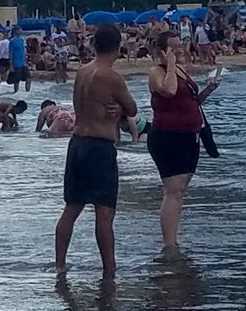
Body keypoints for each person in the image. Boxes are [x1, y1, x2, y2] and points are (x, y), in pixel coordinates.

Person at [54, 23, 137, 276]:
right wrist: (121, 109)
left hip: (77, 143)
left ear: (94, 44)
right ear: (118, 47)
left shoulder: (83, 71)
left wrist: (116, 108)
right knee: (104, 212)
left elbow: (85, 104)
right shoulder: (111, 77)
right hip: (99, 146)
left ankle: (59, 265)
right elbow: (132, 108)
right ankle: (109, 269)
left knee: (72, 208)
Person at [147, 30, 219, 252]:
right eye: (174, 47)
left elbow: (191, 102)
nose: (180, 49)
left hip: (189, 135)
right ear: (162, 51)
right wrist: (169, 63)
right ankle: (169, 244)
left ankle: (173, 238)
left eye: (180, 45)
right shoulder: (156, 72)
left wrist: (208, 90)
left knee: (180, 190)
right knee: (173, 190)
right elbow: (169, 91)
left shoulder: (179, 69)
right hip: (168, 135)